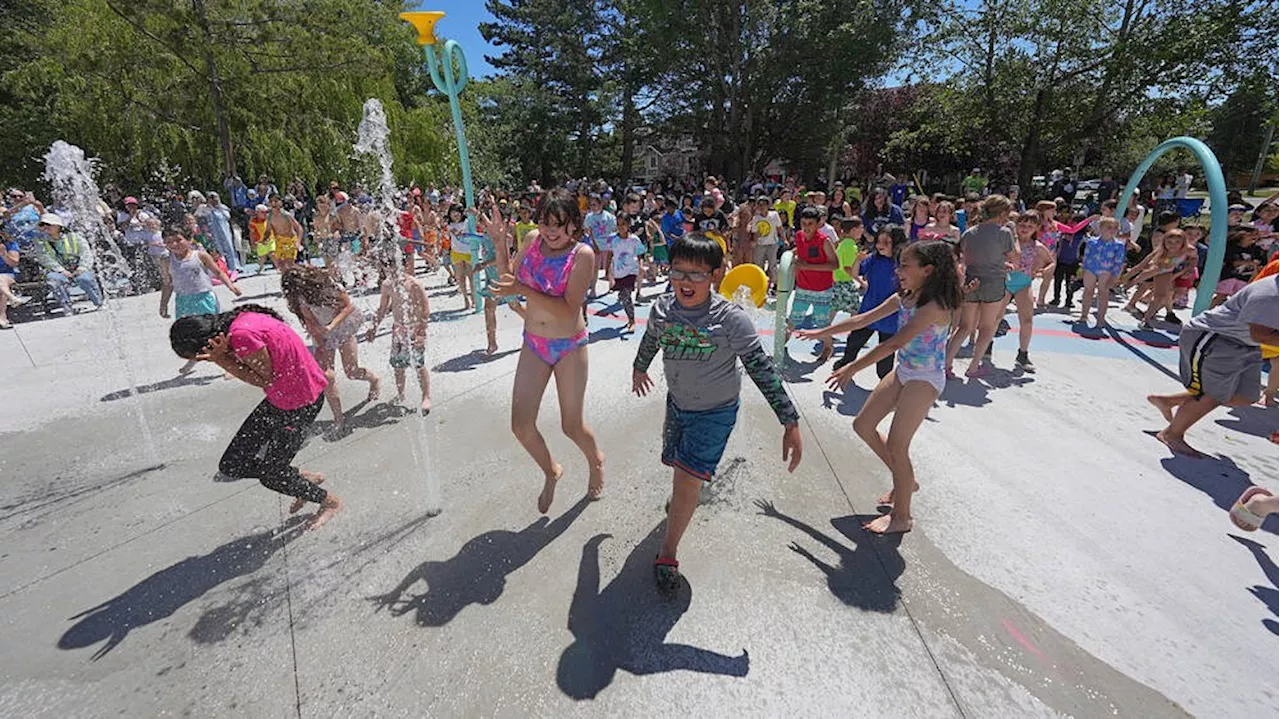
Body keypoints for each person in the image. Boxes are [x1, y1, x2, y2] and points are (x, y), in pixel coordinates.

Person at [632, 232, 801, 591]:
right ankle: (689, 495)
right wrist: (639, 367)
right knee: (680, 468)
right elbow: (651, 340)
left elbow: (760, 368)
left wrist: (789, 420)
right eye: (678, 271)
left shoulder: (730, 319)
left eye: (696, 274)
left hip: (716, 413)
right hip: (678, 406)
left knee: (686, 477)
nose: (685, 281)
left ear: (715, 274)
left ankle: (668, 551)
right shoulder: (662, 309)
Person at [800, 240, 961, 534]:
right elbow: (863, 318)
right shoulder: (905, 296)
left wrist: (852, 367)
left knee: (899, 447)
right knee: (863, 425)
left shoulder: (934, 306)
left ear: (927, 270)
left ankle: (902, 517)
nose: (898, 270)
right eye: (898, 264)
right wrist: (821, 331)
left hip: (925, 378)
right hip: (904, 371)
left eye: (904, 265)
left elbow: (895, 343)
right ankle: (906, 480)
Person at [170, 305, 341, 529]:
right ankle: (298, 479)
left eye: (200, 356)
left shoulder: (242, 336)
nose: (202, 360)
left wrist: (221, 359)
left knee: (272, 475)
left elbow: (263, 379)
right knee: (232, 464)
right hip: (282, 398)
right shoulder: (239, 322)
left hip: (300, 402)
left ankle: (330, 502)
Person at [488, 188, 605, 514]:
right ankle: (551, 470)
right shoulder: (531, 242)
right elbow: (507, 281)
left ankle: (595, 461)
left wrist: (522, 289)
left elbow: (568, 310)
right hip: (534, 344)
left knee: (572, 425)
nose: (551, 231)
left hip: (569, 345)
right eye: (546, 222)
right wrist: (500, 246)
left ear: (573, 225)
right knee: (521, 426)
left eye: (559, 224)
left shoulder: (582, 255)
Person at [1147, 274, 1280, 458]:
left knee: (1245, 396)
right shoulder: (1272, 296)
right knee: (1213, 394)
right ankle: (1171, 434)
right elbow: (1260, 334)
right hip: (1215, 337)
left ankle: (1170, 401)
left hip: (1246, 343)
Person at [281, 265, 380, 436]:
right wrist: (320, 342)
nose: (297, 293)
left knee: (351, 371)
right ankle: (338, 419)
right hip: (322, 332)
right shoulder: (300, 299)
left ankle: (374, 380)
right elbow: (310, 322)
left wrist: (331, 326)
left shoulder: (329, 284)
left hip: (343, 326)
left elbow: (348, 306)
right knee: (327, 376)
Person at [944, 195, 1016, 378]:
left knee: (964, 326)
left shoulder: (969, 232)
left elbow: (967, 259)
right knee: (987, 327)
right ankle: (973, 366)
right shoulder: (1004, 232)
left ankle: (946, 364)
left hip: (972, 280)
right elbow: (1014, 256)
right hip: (994, 281)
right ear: (1001, 213)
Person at [365, 252, 432, 413]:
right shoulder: (387, 285)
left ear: (403, 265)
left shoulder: (414, 284)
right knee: (398, 366)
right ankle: (401, 393)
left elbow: (426, 309)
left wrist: (422, 333)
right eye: (387, 266)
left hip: (415, 329)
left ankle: (426, 396)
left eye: (393, 266)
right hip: (398, 330)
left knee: (418, 365)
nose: (390, 270)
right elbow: (382, 309)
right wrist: (374, 327)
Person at [788, 206, 840, 361]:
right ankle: (779, 347)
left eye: (810, 223)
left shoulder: (824, 241)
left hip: (821, 289)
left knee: (822, 323)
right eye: (803, 223)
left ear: (818, 224)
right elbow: (801, 249)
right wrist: (791, 253)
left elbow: (835, 264)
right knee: (793, 320)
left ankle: (828, 347)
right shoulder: (799, 236)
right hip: (803, 287)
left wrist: (808, 266)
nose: (806, 227)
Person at [1007, 212, 1053, 372]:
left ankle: (1023, 353)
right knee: (995, 318)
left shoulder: (1037, 246)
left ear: (1036, 228)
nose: (1025, 229)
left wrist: (1042, 270)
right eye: (1022, 225)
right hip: (1004, 282)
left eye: (1030, 226)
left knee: (1027, 320)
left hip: (1023, 283)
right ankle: (987, 346)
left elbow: (1051, 262)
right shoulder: (1009, 242)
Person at [33, 213, 103, 315]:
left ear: (58, 226)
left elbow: (86, 253)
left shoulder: (75, 237)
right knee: (54, 280)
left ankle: (99, 302)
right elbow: (44, 258)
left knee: (84, 279)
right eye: (42, 225)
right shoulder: (40, 241)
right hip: (57, 271)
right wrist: (61, 270)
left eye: (48, 224)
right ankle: (67, 307)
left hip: (78, 268)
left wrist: (82, 268)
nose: (45, 227)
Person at [1076, 216, 1127, 328]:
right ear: (1101, 228)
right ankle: (1084, 315)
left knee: (1103, 293)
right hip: (1091, 268)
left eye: (1115, 228)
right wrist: (1082, 270)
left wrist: (1115, 276)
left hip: (1106, 270)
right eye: (1109, 227)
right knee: (1088, 291)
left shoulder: (1119, 245)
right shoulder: (1092, 241)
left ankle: (1100, 318)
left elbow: (1119, 262)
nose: (1112, 230)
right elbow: (1086, 256)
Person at [831, 216, 865, 320]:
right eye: (861, 228)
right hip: (845, 282)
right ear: (854, 230)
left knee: (834, 307)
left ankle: (825, 331)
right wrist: (861, 281)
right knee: (855, 308)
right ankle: (853, 332)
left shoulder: (844, 243)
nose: (862, 230)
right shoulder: (850, 246)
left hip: (837, 280)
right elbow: (847, 268)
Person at [202, 192, 241, 274]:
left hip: (225, 231)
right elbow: (204, 219)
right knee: (219, 250)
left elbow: (228, 216)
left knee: (229, 248)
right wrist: (210, 207)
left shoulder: (223, 207)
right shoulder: (206, 209)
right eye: (211, 198)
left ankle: (235, 267)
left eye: (215, 197)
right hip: (214, 233)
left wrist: (218, 207)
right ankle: (224, 267)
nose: (213, 200)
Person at [265, 194, 303, 272]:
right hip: (279, 241)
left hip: (290, 240)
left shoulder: (286, 215)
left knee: (289, 264)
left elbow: (299, 228)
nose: (273, 203)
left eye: (275, 201)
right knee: (280, 265)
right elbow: (268, 230)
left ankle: (299, 272)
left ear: (280, 203)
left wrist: (298, 242)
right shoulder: (269, 217)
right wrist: (265, 239)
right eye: (271, 201)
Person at [749, 196, 783, 283]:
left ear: (768, 205)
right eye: (759, 205)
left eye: (764, 205)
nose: (761, 207)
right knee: (759, 265)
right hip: (760, 244)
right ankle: (760, 282)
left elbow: (779, 227)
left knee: (772, 265)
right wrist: (754, 241)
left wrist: (784, 238)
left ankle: (774, 284)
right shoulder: (756, 218)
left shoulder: (774, 215)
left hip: (772, 243)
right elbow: (754, 232)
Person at [0, 233, 30, 329]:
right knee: (3, 287)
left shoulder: (10, 244)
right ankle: (11, 299)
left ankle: (2, 316)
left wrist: (4, 254)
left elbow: (14, 263)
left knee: (2, 280)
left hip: (7, 274)